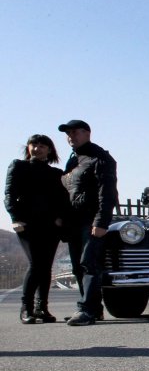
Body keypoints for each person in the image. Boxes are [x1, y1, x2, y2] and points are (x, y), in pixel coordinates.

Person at [4, 135, 70, 323]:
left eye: (42, 146)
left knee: (46, 266)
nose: (37, 149)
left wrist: (60, 219)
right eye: (34, 145)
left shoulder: (56, 173)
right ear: (28, 147)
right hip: (27, 224)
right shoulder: (19, 166)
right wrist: (15, 219)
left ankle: (42, 308)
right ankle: (26, 308)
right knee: (36, 264)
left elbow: (62, 199)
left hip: (50, 226)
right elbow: (9, 194)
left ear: (49, 150)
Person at [59, 120, 118, 326]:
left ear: (87, 133)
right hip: (73, 221)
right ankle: (92, 308)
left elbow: (107, 192)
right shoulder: (73, 161)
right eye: (68, 134)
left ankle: (87, 309)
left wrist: (101, 221)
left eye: (75, 132)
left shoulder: (100, 158)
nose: (71, 137)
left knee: (89, 263)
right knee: (78, 266)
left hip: (91, 219)